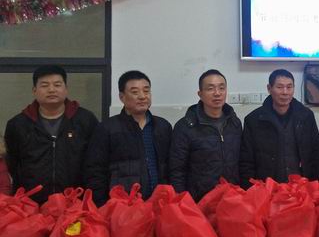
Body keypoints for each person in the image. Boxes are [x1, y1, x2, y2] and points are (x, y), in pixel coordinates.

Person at [4, 65, 99, 204]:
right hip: (30, 204)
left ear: (66, 89)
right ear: (34, 91)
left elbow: (95, 164)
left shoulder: (85, 120)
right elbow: (12, 164)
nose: (51, 89)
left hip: (75, 202)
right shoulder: (18, 124)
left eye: (57, 85)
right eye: (44, 85)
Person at [84, 71, 172, 206]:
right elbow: (95, 171)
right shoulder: (107, 128)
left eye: (146, 91)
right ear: (122, 97)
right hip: (123, 206)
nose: (142, 96)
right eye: (135, 92)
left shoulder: (163, 126)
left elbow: (171, 167)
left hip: (159, 203)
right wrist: (103, 205)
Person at [169, 69, 242, 201]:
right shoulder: (185, 126)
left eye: (221, 88)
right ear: (200, 94)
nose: (217, 93)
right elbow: (177, 170)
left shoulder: (234, 123)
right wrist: (182, 201)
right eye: (210, 89)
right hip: (199, 201)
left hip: (231, 198)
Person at [239, 69, 319, 187]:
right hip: (267, 187)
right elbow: (246, 161)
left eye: (289, 87)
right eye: (280, 87)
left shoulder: (306, 116)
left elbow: (316, 153)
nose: (285, 92)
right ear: (269, 88)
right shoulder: (253, 120)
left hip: (300, 187)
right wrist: (251, 189)